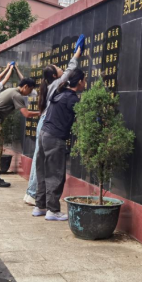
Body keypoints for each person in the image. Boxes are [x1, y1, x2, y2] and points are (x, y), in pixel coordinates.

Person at [23, 41, 83, 205]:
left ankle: (33, 194)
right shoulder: (57, 84)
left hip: (44, 123)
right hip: (49, 124)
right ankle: (33, 193)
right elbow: (70, 69)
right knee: (44, 163)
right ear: (55, 76)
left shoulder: (49, 85)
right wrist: (77, 53)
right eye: (58, 68)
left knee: (39, 159)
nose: (61, 68)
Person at [32, 67, 86, 221]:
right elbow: (83, 117)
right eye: (85, 80)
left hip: (44, 134)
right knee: (55, 174)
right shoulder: (71, 98)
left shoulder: (59, 93)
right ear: (79, 81)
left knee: (42, 171)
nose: (85, 83)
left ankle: (40, 206)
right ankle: (53, 210)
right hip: (55, 137)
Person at [0, 77, 41, 187]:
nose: (29, 93)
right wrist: (41, 112)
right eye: (30, 89)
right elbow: (26, 114)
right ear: (25, 86)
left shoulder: (10, 90)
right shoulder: (17, 95)